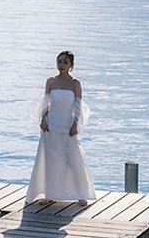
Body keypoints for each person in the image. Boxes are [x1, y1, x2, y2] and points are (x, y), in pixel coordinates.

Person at [26, 51, 96, 204]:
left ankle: (81, 194)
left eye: (65, 62)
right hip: (51, 126)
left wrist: (75, 124)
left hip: (67, 126)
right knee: (51, 161)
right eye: (59, 62)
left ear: (71, 65)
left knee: (73, 159)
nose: (61, 65)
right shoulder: (51, 81)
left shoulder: (75, 83)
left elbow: (78, 106)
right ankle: (50, 195)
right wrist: (43, 119)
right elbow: (46, 103)